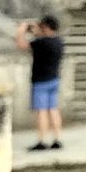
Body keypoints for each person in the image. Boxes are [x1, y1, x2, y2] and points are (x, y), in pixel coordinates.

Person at [16, 12, 64, 152]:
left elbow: (21, 44)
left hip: (41, 81)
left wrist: (22, 29)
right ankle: (57, 138)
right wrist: (38, 32)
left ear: (46, 27)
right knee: (53, 110)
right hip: (54, 79)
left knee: (42, 112)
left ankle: (42, 140)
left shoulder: (41, 43)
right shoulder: (58, 42)